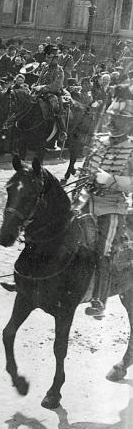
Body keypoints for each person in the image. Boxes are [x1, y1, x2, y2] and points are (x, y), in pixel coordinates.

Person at [81, 84, 133, 319]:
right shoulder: (100, 142)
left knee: (103, 250)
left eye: (118, 120)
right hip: (87, 200)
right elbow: (86, 169)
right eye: (111, 117)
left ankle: (99, 300)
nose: (111, 123)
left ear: (130, 123)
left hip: (112, 206)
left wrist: (110, 179)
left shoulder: (131, 149)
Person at [33, 44, 67, 150]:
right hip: (41, 92)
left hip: (54, 94)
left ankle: (62, 131)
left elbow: (56, 86)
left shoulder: (59, 70)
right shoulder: (45, 68)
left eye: (50, 57)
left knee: (55, 104)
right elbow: (40, 80)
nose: (47, 59)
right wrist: (35, 86)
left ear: (55, 58)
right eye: (47, 57)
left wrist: (42, 87)